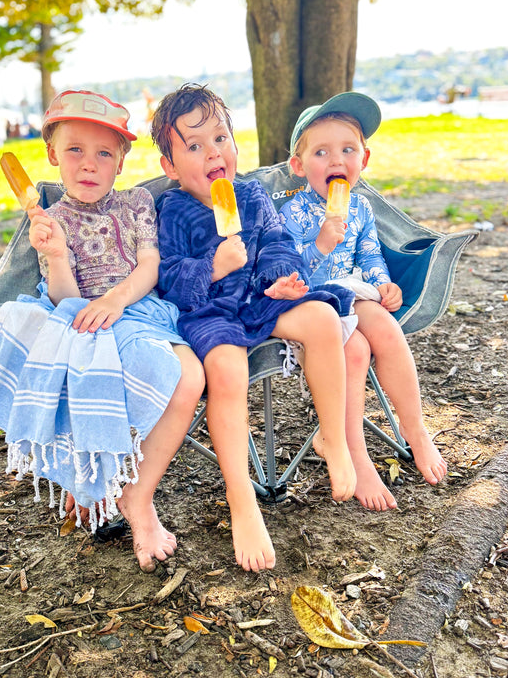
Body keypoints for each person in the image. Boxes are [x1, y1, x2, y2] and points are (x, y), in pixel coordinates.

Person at [0, 90, 205, 572]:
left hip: (137, 310)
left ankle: (132, 492)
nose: (88, 164)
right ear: (52, 154)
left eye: (104, 153)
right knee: (88, 377)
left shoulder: (137, 203)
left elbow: (149, 265)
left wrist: (116, 300)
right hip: (81, 320)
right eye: (75, 149)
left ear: (120, 162)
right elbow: (64, 297)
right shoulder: (52, 220)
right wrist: (56, 254)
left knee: (189, 376)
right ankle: (107, 489)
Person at [151, 83, 360, 572]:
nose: (213, 153)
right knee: (227, 369)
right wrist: (214, 267)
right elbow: (168, 278)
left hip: (260, 301)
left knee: (322, 317)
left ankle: (333, 437)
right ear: (169, 166)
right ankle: (241, 497)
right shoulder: (172, 210)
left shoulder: (250, 195)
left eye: (220, 139)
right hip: (209, 314)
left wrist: (280, 279)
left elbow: (278, 243)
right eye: (194, 146)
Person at [280, 91, 447, 510]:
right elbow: (288, 271)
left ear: (364, 160)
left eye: (347, 150)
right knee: (354, 350)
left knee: (386, 329)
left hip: (352, 290)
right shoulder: (292, 213)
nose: (336, 160)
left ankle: (415, 428)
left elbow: (369, 254)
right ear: (299, 166)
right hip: (312, 302)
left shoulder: (361, 208)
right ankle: (352, 450)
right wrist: (320, 243)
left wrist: (384, 283)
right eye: (321, 152)